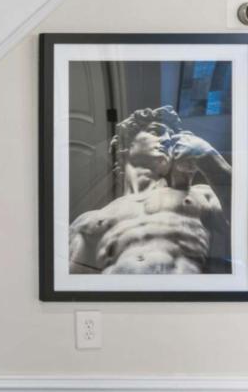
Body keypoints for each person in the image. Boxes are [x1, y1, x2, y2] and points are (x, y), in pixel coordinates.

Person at [69, 106, 231, 275]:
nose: (168, 139)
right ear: (125, 145)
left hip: (182, 298)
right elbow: (73, 287)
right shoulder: (90, 220)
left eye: (172, 137)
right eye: (157, 131)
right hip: (121, 300)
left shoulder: (200, 196)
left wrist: (209, 158)